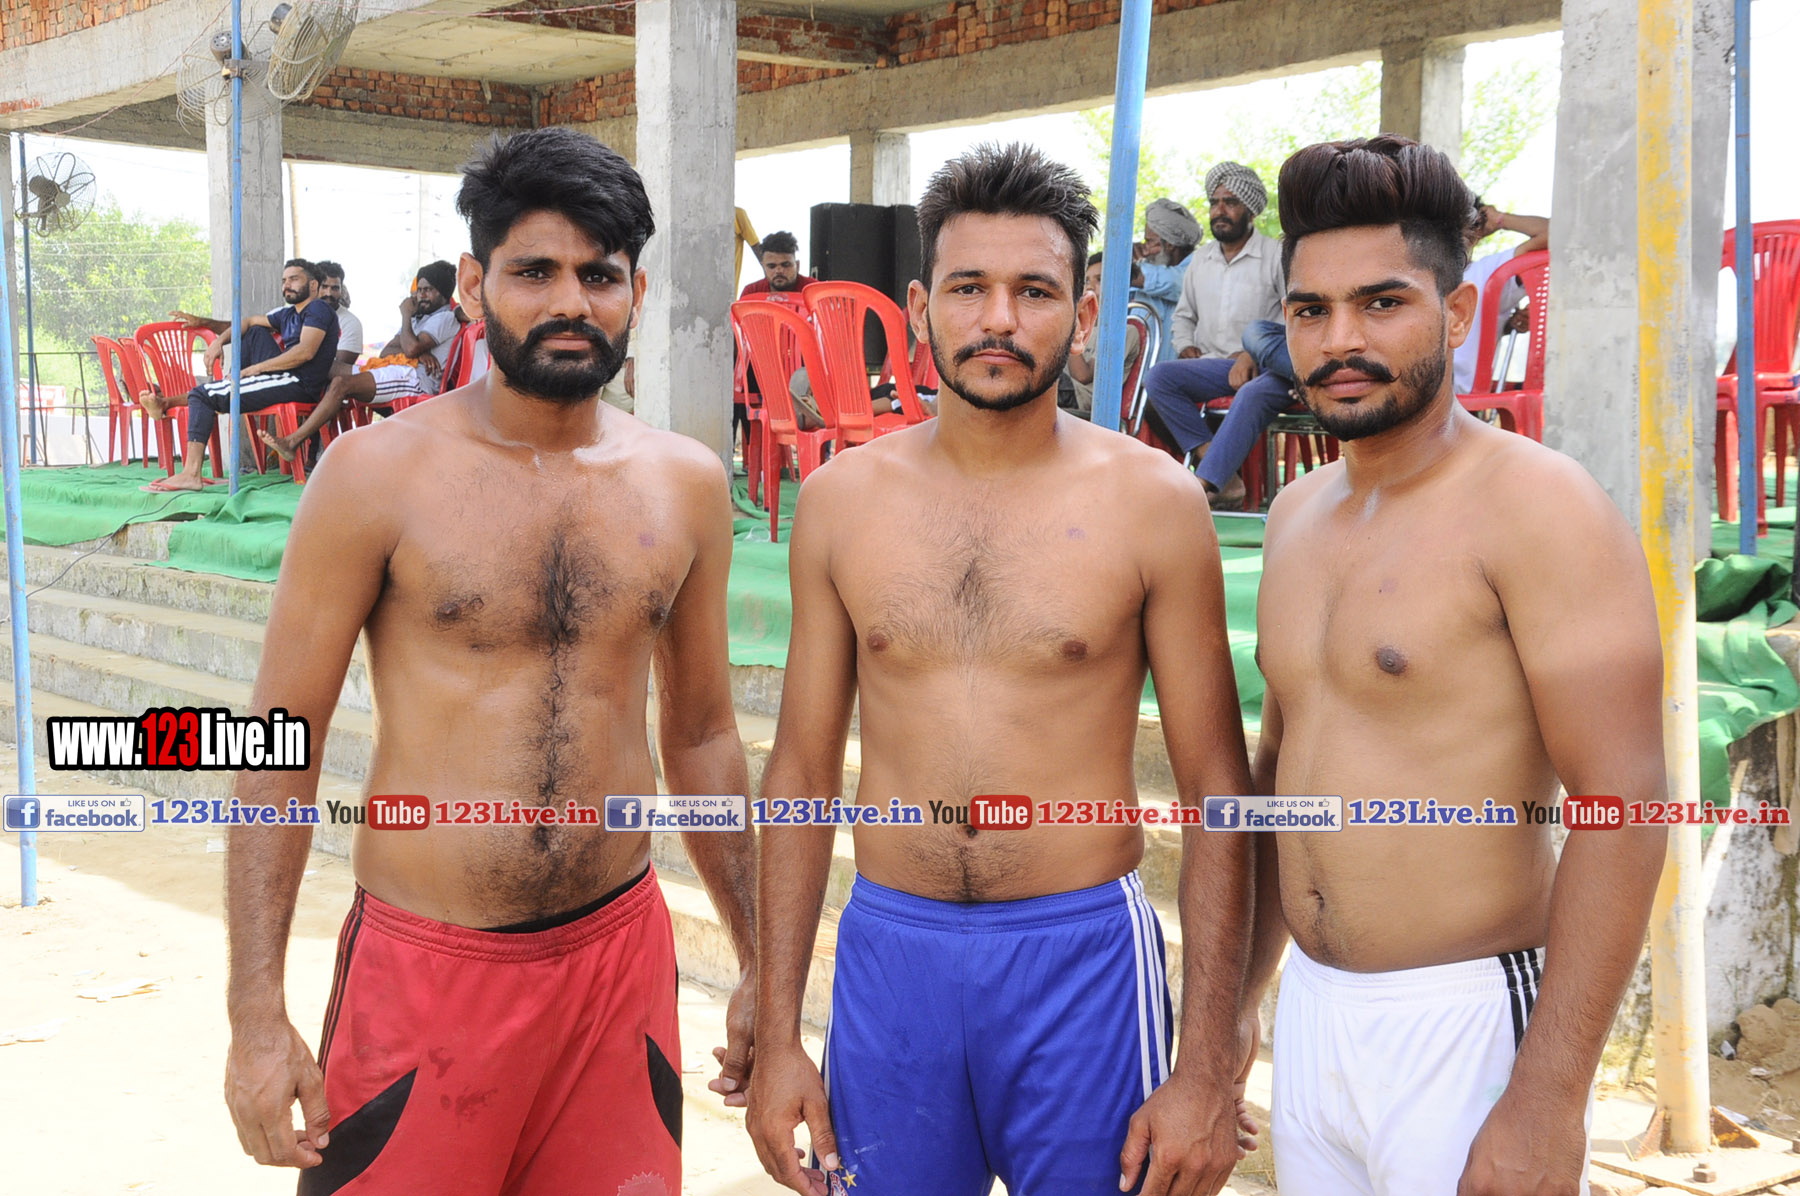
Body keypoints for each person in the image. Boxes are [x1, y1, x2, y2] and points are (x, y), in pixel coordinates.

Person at [221, 127, 758, 1196]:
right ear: (474, 285)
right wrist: (254, 1012)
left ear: (638, 293)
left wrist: (758, 961)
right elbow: (280, 744)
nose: (571, 302)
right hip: (426, 974)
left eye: (599, 275)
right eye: (534, 271)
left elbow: (701, 730)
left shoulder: (685, 483)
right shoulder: (374, 476)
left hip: (616, 971)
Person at [746, 142, 1257, 1196]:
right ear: (920, 305)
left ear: (1083, 315)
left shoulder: (1153, 502)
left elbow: (1218, 791)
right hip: (890, 953)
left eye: (1035, 291)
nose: (999, 320)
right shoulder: (843, 502)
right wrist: (781, 1024)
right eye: (969, 288)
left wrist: (1207, 1063)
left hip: (1083, 959)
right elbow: (799, 771)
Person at [1247, 135, 1667, 1196]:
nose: (1341, 339)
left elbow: (1624, 805)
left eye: (1382, 303)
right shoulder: (1294, 515)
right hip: (1314, 1015)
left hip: (1469, 1020)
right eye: (1310, 311)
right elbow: (1280, 779)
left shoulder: (1540, 506)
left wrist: (1550, 1095)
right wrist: (1238, 1009)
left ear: (1460, 311)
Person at [1141, 162, 1289, 508]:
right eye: (1214, 202)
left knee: (1253, 391)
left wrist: (1252, 354)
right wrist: (1185, 345)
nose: (1219, 210)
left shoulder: (1276, 255)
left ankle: (1208, 482)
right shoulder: (1201, 260)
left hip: (1267, 367)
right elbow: (1183, 316)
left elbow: (1295, 315)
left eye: (1230, 202)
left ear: (1250, 210)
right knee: (1159, 378)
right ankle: (1219, 469)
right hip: (1216, 366)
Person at [142, 258, 339, 491]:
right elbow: (248, 321)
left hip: (297, 382)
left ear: (313, 285)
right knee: (253, 332)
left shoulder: (318, 309)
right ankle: (175, 401)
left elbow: (305, 352)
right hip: (283, 377)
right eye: (284, 280)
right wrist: (219, 341)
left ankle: (191, 474)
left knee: (204, 395)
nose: (287, 285)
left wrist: (255, 369)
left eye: (294, 279)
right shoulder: (288, 314)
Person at [256, 261, 460, 464]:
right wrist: (418, 351)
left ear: (443, 293)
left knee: (340, 384)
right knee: (327, 368)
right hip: (397, 371)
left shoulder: (444, 318)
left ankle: (292, 442)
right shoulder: (419, 319)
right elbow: (387, 351)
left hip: (417, 380)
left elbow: (410, 348)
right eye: (420, 290)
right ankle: (294, 408)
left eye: (428, 290)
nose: (421, 295)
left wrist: (406, 318)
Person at [1455, 201, 1549, 394]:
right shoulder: (1414, 273)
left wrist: (1500, 219)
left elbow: (1555, 235)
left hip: (1457, 400)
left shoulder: (1487, 272)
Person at [1062, 250, 1143, 420]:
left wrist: (1072, 325)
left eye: (1099, 280)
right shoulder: (1086, 326)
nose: (1090, 286)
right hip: (1062, 386)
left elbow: (1082, 376)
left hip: (1081, 398)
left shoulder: (1124, 331)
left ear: (1119, 287)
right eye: (1086, 280)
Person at [1133, 196, 1201, 364]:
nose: (1145, 248)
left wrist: (1127, 266)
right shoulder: (1146, 268)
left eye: (1150, 241)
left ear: (1170, 245)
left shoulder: (1201, 268)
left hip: (1176, 377)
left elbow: (1173, 282)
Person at [314, 261, 363, 373]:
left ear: (341, 290)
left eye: (335, 288)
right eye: (324, 286)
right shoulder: (294, 314)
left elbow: (338, 369)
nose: (329, 293)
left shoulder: (350, 323)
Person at [739, 230, 816, 298]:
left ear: (797, 266)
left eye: (785, 265)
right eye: (772, 266)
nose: (779, 271)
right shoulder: (751, 293)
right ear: (763, 267)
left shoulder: (814, 289)